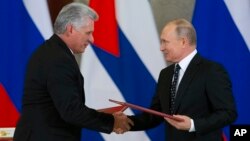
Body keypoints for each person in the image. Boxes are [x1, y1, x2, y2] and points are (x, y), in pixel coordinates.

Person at [13, 2, 133, 141]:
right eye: (88, 33)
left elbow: (58, 108)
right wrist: (111, 121)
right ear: (70, 29)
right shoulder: (58, 59)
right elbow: (71, 111)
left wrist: (104, 116)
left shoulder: (51, 52)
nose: (92, 39)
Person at [128, 19, 237, 141]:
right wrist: (125, 122)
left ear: (183, 42)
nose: (161, 48)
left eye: (165, 42)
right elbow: (155, 114)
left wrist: (193, 125)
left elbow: (228, 113)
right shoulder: (165, 74)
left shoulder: (211, 71)